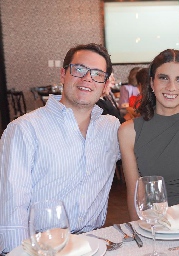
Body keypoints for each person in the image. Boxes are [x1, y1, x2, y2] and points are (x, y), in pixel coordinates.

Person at [0, 43, 120, 253]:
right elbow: (12, 208)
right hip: (41, 248)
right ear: (63, 74)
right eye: (79, 70)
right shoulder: (24, 130)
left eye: (97, 74)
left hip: (93, 243)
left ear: (105, 84)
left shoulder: (111, 128)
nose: (87, 79)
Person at [118, 49, 179, 220]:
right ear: (151, 83)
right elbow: (135, 198)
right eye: (163, 78)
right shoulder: (128, 132)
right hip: (153, 226)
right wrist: (148, 233)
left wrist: (172, 225)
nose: (171, 87)